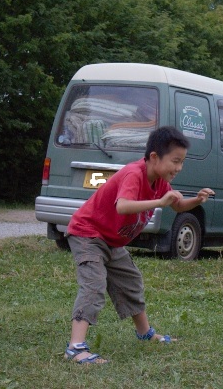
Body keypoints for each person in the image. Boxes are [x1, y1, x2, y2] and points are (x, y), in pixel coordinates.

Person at [64, 126, 214, 364]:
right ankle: (75, 347)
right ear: (154, 157)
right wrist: (159, 201)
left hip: (111, 240)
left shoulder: (159, 180)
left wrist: (196, 200)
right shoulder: (134, 174)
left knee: (130, 281)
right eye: (175, 161)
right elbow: (122, 206)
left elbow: (176, 205)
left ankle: (145, 333)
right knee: (94, 284)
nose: (179, 168)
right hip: (88, 234)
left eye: (182, 162)